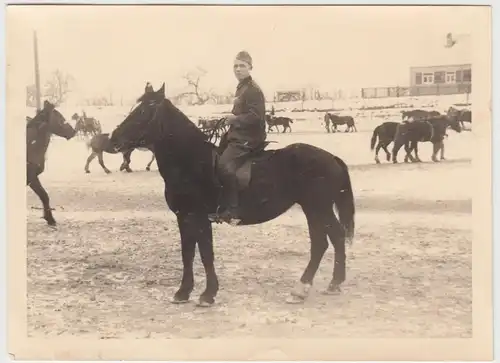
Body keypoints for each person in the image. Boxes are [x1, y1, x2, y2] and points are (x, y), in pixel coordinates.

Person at [209, 50, 267, 225]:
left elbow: (257, 117)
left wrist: (235, 119)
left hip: (249, 137)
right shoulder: (241, 87)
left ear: (250, 67)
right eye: (235, 66)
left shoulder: (253, 90)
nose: (238, 69)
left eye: (242, 66)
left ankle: (233, 211)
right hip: (238, 134)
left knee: (224, 166)